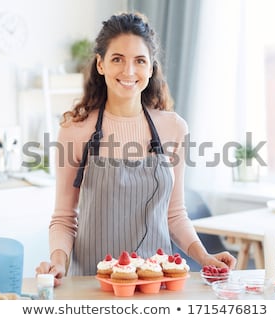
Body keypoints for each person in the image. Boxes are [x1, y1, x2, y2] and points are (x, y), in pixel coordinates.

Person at [36, 12, 236, 286]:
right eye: (117, 59)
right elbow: (64, 217)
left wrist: (204, 257)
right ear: (101, 64)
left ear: (151, 68)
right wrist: (58, 262)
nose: (129, 71)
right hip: (94, 283)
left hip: (156, 282)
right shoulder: (76, 130)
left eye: (139, 61)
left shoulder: (173, 128)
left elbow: (175, 214)